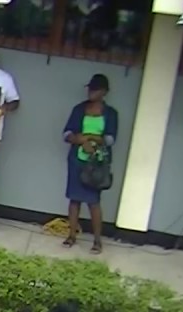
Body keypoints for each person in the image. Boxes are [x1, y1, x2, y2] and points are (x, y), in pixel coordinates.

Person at [62, 74, 118, 254]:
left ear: (104, 92)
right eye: (90, 89)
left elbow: (110, 139)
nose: (91, 92)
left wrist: (92, 138)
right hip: (77, 159)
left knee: (93, 202)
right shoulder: (79, 109)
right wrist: (78, 140)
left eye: (95, 89)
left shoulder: (111, 113)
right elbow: (66, 133)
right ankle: (71, 235)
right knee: (74, 199)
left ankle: (97, 241)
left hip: (97, 164)